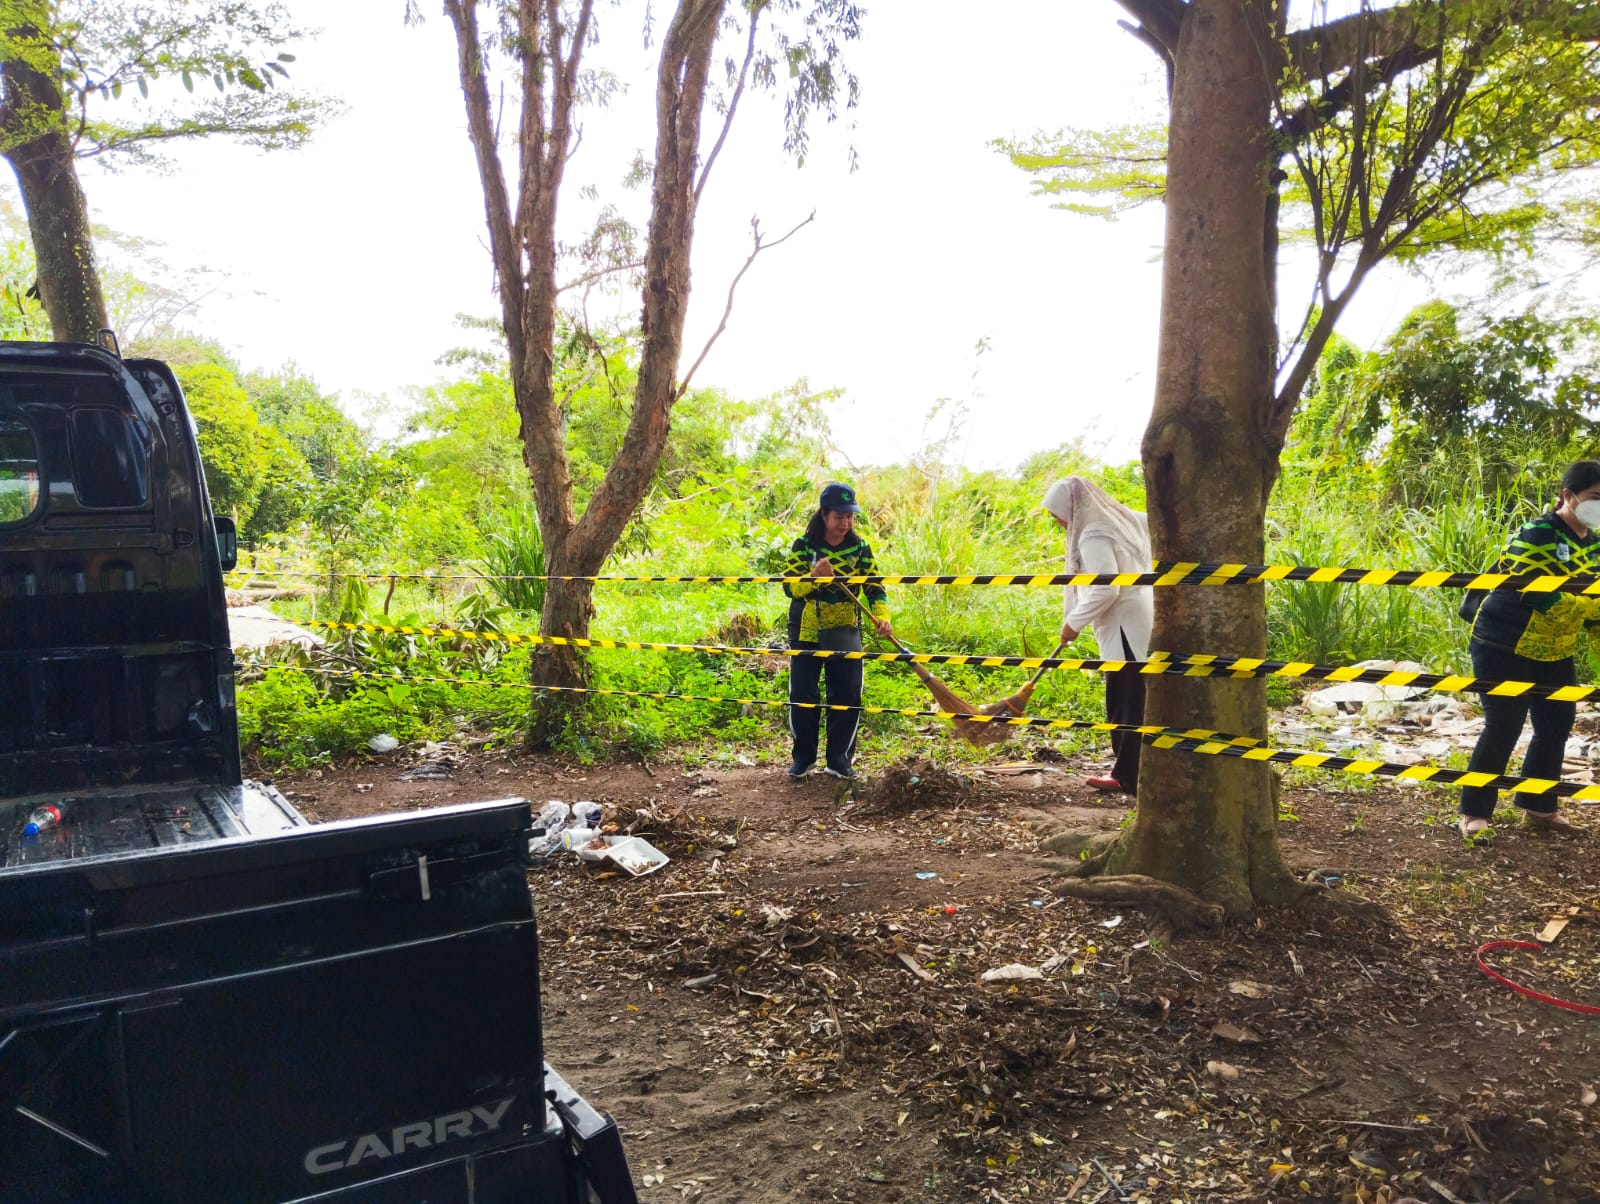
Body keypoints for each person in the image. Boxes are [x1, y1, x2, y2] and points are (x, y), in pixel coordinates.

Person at [1457, 460, 1600, 838]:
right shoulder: (1537, 534)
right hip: (1504, 644)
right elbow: (1544, 599)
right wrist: (1588, 608)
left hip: (1555, 648)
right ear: (1567, 496)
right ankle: (1474, 812)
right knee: (1503, 726)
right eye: (1594, 498)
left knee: (1556, 726)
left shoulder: (1596, 543)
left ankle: (1539, 806)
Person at [1041, 477, 1154, 795]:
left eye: (1058, 515)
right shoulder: (1121, 521)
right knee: (1134, 698)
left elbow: (1106, 587)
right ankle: (1134, 770)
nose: (1060, 523)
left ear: (1071, 507)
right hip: (1139, 616)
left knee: (1126, 701)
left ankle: (1126, 775)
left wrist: (1073, 623)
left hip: (1124, 626)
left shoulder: (1092, 534)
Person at [782, 482, 893, 780]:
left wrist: (882, 617)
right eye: (839, 516)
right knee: (804, 694)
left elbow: (875, 588)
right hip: (806, 631)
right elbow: (790, 587)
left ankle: (839, 759)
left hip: (846, 629)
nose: (845, 523)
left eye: (850, 517)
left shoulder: (860, 548)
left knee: (847, 693)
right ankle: (803, 758)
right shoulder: (803, 546)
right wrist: (814, 578)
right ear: (824, 514)